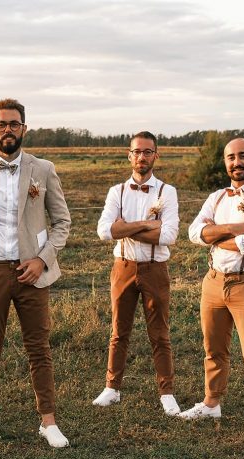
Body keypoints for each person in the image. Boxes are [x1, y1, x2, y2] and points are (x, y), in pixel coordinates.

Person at [0, 98, 72, 448]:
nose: (8, 129)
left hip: (31, 273)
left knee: (39, 347)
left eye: (14, 124)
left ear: (24, 128)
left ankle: (48, 422)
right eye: (2, 124)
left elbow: (62, 222)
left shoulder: (44, 169)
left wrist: (43, 260)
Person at [182, 137, 244, 444]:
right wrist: (230, 230)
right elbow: (193, 233)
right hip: (213, 281)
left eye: (242, 156)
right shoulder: (216, 197)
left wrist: (215, 235)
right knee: (213, 349)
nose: (236, 162)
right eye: (230, 157)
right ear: (225, 162)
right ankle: (212, 403)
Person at [92, 132, 181, 416]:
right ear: (129, 155)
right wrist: (146, 225)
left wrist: (127, 227)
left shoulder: (167, 191)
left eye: (147, 152)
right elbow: (106, 231)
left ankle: (166, 392)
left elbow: (168, 235)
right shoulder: (116, 191)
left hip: (156, 269)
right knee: (119, 330)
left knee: (160, 333)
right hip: (124, 267)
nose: (141, 157)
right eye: (136, 152)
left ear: (156, 155)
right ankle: (111, 387)